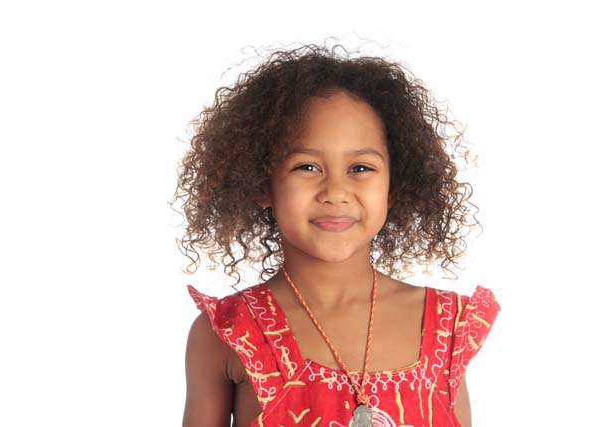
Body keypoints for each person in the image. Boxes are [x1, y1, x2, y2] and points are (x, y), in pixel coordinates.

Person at [174, 42, 501, 427]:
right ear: (263, 184)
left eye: (360, 168)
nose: (335, 192)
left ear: (394, 186)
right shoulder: (228, 333)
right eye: (307, 167)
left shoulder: (447, 329)